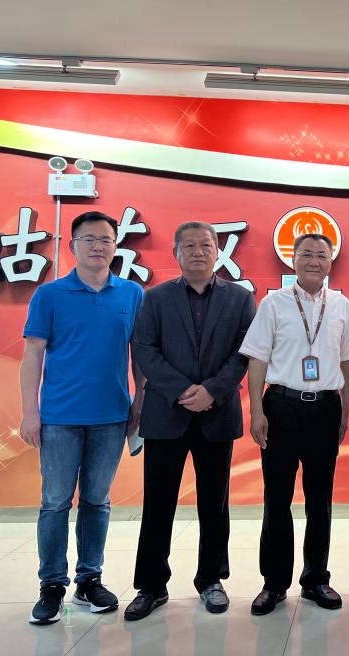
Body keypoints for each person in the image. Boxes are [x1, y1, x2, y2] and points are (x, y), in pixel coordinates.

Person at [124, 221, 256, 620]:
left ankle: (211, 579)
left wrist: (212, 390)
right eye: (190, 246)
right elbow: (144, 348)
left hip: (217, 413)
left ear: (218, 252)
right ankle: (151, 585)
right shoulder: (155, 298)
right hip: (167, 413)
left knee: (214, 504)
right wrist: (183, 390)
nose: (198, 252)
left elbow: (245, 351)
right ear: (176, 253)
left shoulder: (240, 298)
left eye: (206, 245)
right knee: (158, 503)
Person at [19, 210, 144, 625]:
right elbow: (33, 355)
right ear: (73, 245)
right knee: (55, 502)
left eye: (105, 239)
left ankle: (89, 579)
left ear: (115, 246)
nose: (97, 246)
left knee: (97, 501)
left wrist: (140, 401)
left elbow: (140, 355)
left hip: (111, 416)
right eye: (88, 239)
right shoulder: (50, 295)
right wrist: (30, 412)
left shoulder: (131, 294)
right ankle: (51, 585)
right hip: (59, 417)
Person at [242, 233, 349, 615]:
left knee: (320, 499)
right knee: (277, 498)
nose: (314, 261)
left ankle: (316, 580)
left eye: (321, 255)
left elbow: (347, 362)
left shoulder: (341, 305)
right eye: (307, 254)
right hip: (281, 406)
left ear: (331, 262)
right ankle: (274, 583)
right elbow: (257, 359)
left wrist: (345, 410)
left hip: (325, 409)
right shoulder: (273, 304)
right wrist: (256, 411)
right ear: (293, 260)